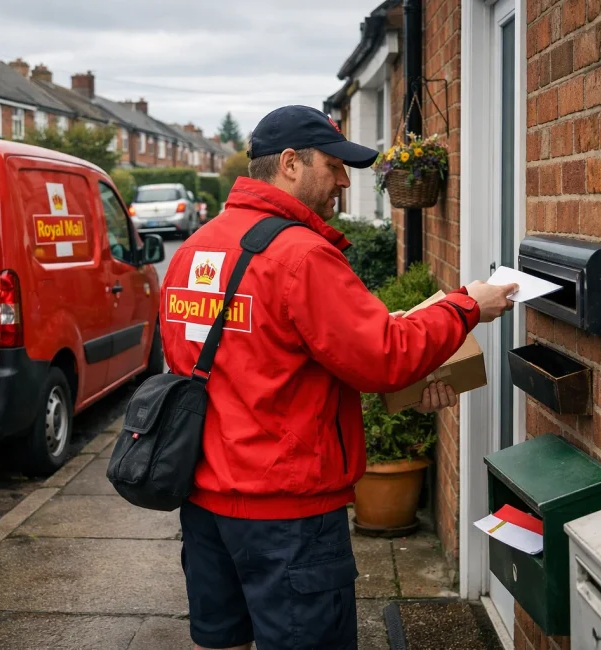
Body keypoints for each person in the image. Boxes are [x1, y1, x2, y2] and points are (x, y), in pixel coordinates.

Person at [159, 105, 517, 650]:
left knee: (223, 641)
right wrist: (468, 305)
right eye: (334, 166)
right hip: (288, 516)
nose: (345, 182)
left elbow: (241, 357)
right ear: (289, 164)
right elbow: (385, 357)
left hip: (205, 505)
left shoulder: (194, 251)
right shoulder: (301, 255)